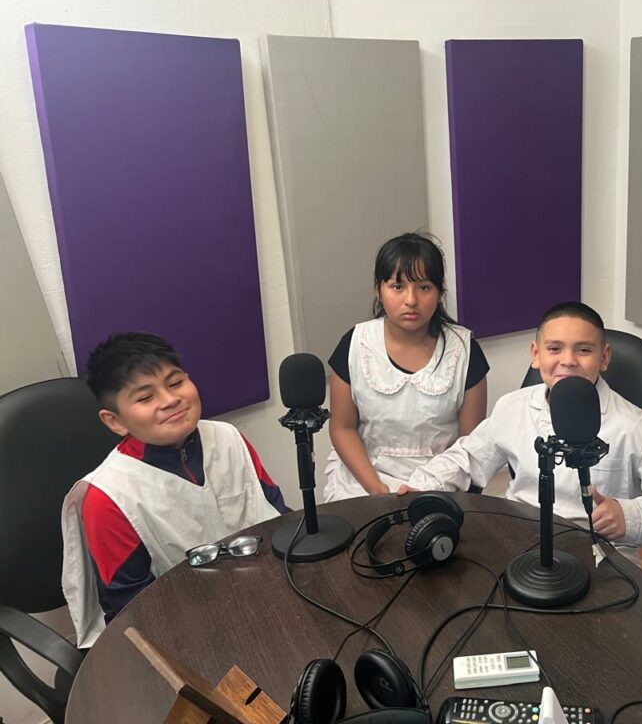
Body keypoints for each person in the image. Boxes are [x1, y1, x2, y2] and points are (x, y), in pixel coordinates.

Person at [402, 301, 642, 558]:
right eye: (554, 349)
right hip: (519, 541)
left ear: (604, 357)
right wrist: (422, 487)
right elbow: (468, 457)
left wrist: (629, 516)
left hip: (597, 552)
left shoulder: (633, 426)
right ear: (536, 354)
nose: (568, 361)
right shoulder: (513, 407)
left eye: (584, 350)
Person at [61, 332, 287, 648]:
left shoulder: (227, 438)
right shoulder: (107, 497)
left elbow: (278, 517)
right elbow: (132, 612)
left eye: (175, 382)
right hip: (187, 631)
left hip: (265, 597)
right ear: (115, 421)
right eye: (145, 398)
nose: (170, 400)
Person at [323, 232, 489, 500]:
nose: (411, 300)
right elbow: (343, 428)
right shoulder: (355, 344)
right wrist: (377, 490)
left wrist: (427, 487)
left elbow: (470, 443)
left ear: (439, 292)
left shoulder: (465, 350)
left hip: (439, 482)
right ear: (378, 290)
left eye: (424, 287)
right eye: (397, 286)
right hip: (364, 481)